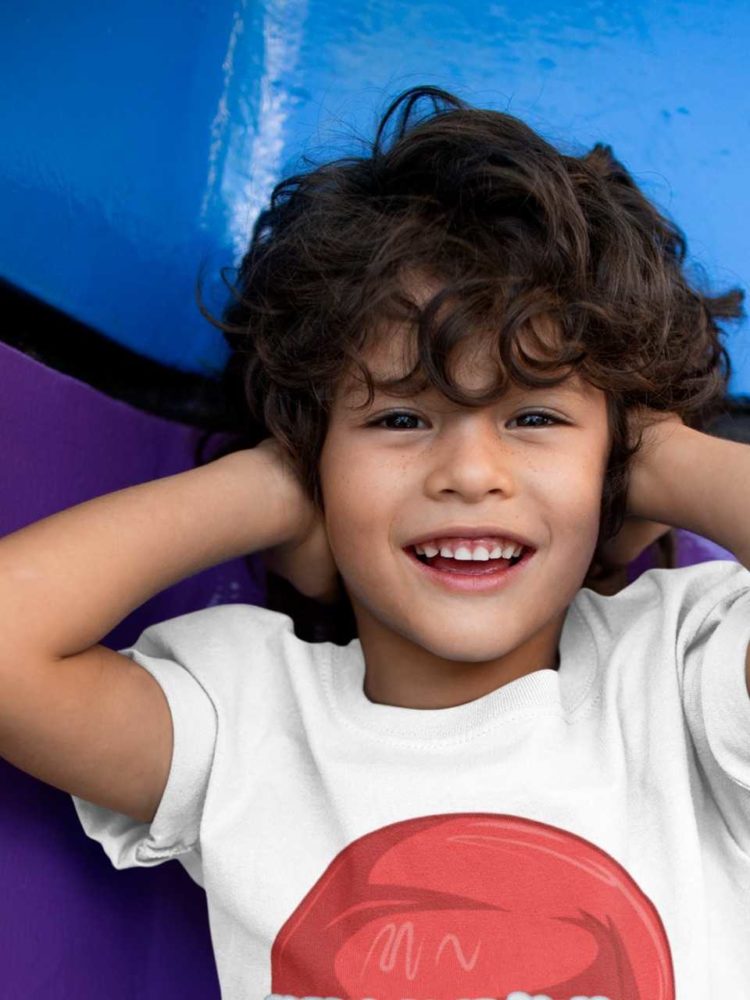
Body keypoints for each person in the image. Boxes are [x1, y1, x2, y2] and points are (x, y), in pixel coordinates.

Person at [0, 84, 748, 1000]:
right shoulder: (249, 722)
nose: (470, 472)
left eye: (535, 415)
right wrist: (272, 485)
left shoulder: (682, 680)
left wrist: (658, 457)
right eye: (400, 417)